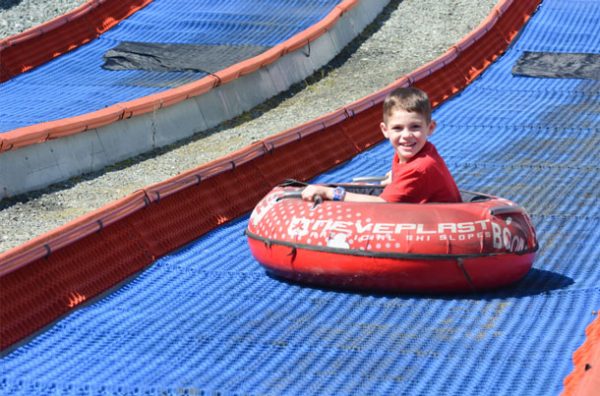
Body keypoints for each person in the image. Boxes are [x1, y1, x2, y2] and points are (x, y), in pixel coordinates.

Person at [301, 87, 461, 203]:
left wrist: (331, 193)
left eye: (415, 127)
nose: (406, 135)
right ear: (385, 130)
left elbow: (382, 205)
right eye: (397, 128)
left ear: (430, 128)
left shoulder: (421, 167)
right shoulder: (414, 152)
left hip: (445, 225)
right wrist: (396, 179)